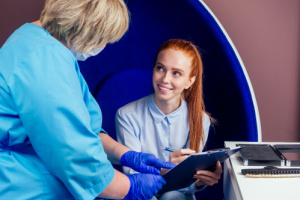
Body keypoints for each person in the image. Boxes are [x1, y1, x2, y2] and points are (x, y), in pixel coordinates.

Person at [0, 0, 175, 199]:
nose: (103, 45)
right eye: (102, 39)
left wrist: (126, 155)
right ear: (82, 28)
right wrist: (128, 187)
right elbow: (73, 151)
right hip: (22, 185)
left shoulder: (39, 43)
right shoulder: (44, 59)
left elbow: (82, 130)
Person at [116, 39, 223, 200]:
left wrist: (201, 181)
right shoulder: (126, 115)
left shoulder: (201, 119)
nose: (165, 79)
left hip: (178, 195)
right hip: (141, 194)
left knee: (173, 196)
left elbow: (187, 187)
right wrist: (170, 167)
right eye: (160, 68)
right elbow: (133, 177)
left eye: (176, 73)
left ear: (190, 81)